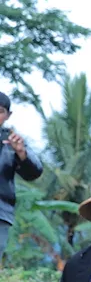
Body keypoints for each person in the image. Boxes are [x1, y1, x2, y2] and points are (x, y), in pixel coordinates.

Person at [0, 90, 44, 261]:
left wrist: (21, 153)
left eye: (0, 111)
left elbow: (35, 172)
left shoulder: (12, 142)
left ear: (8, 116)